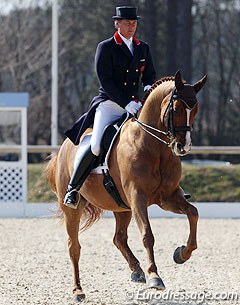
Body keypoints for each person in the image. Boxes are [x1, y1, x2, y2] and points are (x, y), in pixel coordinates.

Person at [64, 6, 156, 209]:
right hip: (110, 105)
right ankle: (73, 188)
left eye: (134, 23)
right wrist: (126, 103)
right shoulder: (106, 47)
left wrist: (149, 86)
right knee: (96, 144)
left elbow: (149, 73)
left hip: (136, 106)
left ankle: (167, 186)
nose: (132, 27)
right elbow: (105, 80)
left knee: (155, 137)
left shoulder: (142, 48)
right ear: (117, 24)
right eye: (127, 23)